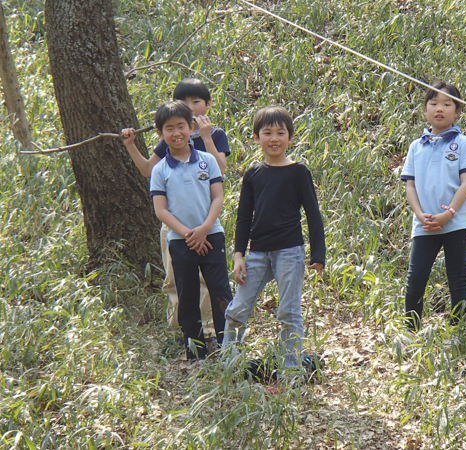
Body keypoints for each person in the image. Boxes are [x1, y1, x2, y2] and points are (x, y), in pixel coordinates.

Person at [121, 78, 229, 341]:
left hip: (208, 223)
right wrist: (131, 145)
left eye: (196, 103)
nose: (191, 108)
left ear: (207, 105)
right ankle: (189, 338)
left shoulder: (214, 136)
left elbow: (221, 171)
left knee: (216, 286)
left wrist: (205, 136)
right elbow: (149, 171)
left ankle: (223, 338)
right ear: (161, 132)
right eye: (184, 103)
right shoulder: (169, 142)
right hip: (177, 228)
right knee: (180, 283)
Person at [221, 106, 326, 372]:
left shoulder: (298, 172)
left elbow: (313, 214)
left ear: (290, 138)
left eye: (281, 132)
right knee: (237, 310)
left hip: (289, 251)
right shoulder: (253, 174)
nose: (274, 138)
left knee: (288, 312)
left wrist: (318, 255)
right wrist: (238, 255)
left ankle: (291, 370)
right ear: (256, 138)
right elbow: (243, 217)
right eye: (267, 133)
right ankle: (226, 364)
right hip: (257, 253)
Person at [148, 100, 232, 360]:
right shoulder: (159, 170)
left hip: (212, 235)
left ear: (192, 127)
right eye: (169, 128)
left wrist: (204, 229)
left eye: (181, 126)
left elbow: (217, 197)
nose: (176, 133)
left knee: (221, 291)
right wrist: (188, 234)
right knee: (187, 294)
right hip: (180, 240)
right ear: (160, 134)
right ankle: (195, 351)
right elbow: (161, 210)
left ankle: (228, 346)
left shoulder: (208, 160)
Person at [400, 81, 466, 331]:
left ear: (457, 112)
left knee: (456, 279)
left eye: (447, 104)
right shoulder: (416, 146)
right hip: (424, 224)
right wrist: (419, 214)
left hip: (457, 222)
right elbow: (409, 185)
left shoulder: (462, 143)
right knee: (415, 279)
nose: (439, 108)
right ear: (425, 109)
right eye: (433, 103)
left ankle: (459, 330)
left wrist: (448, 214)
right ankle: (411, 331)